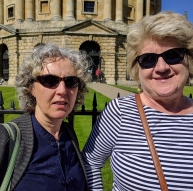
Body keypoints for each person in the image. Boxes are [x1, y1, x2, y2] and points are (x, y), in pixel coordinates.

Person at [82, 11, 193, 190]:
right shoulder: (120, 112)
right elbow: (90, 163)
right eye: (148, 59)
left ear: (188, 60)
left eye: (173, 55)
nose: (162, 67)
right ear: (136, 68)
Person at [0, 43, 91, 191]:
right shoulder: (4, 137)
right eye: (50, 81)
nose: (62, 91)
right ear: (31, 87)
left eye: (71, 81)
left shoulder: (69, 135)